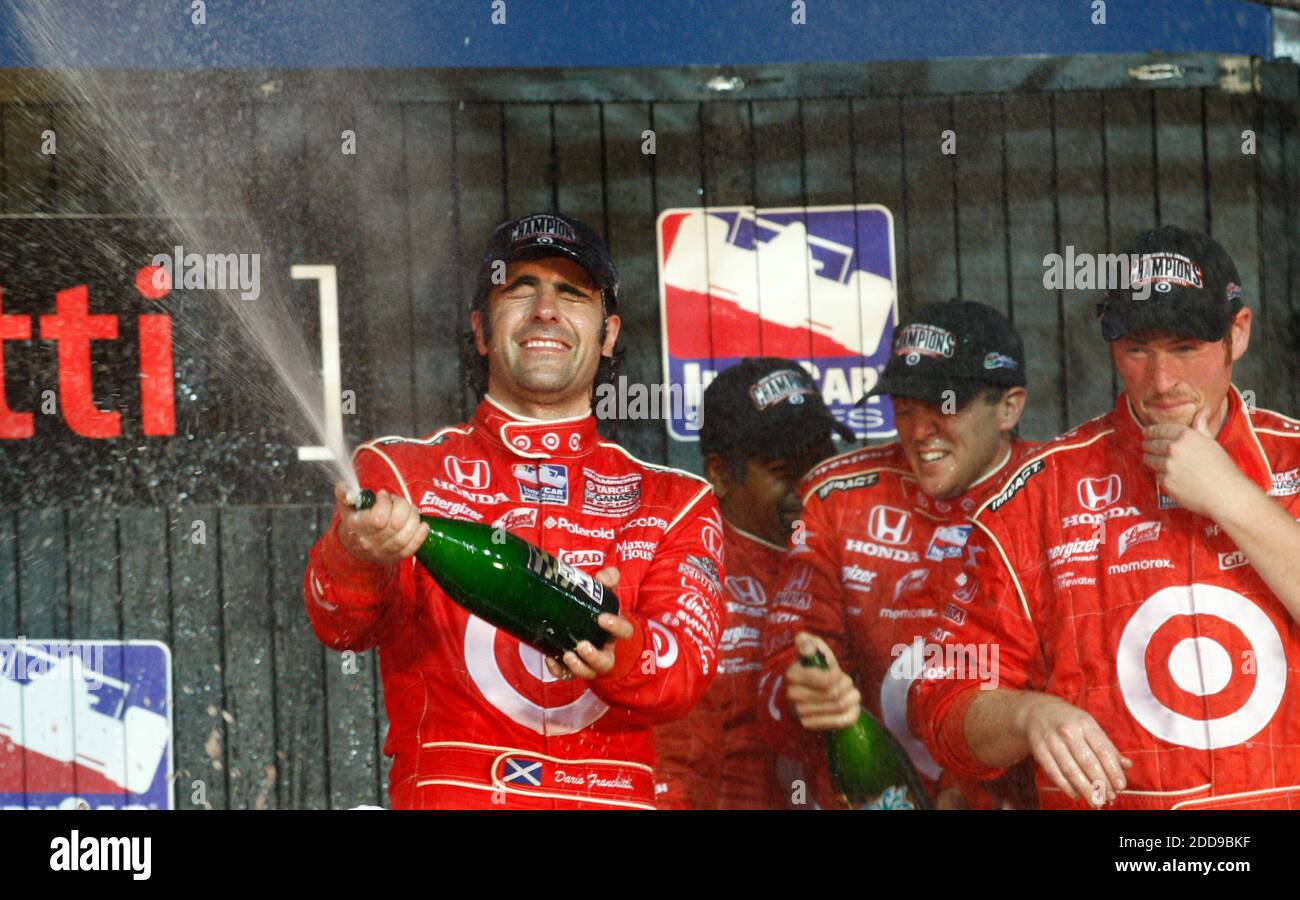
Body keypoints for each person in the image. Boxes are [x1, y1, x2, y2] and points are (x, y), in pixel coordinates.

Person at [302, 212, 726, 809]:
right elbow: (342, 627)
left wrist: (620, 650)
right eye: (520, 289)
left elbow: (684, 678)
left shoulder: (675, 502)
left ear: (608, 335)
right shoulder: (398, 473)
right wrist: (354, 555)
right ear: (480, 329)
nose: (545, 310)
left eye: (572, 292)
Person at [912, 226, 1300, 810]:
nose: (1161, 380)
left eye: (1186, 347)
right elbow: (942, 702)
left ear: (1237, 333)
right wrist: (1027, 715)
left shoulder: (1293, 457)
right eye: (1137, 349)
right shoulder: (1040, 493)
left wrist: (1232, 497)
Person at [759, 300, 1040, 809]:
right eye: (906, 408)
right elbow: (785, 668)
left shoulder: (1059, 490)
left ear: (1009, 407)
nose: (919, 431)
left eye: (944, 406)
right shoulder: (838, 496)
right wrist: (801, 690)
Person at [653, 358, 850, 809]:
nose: (809, 487)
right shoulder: (687, 575)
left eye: (820, 463)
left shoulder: (857, 555)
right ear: (720, 474)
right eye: (784, 471)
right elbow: (671, 764)